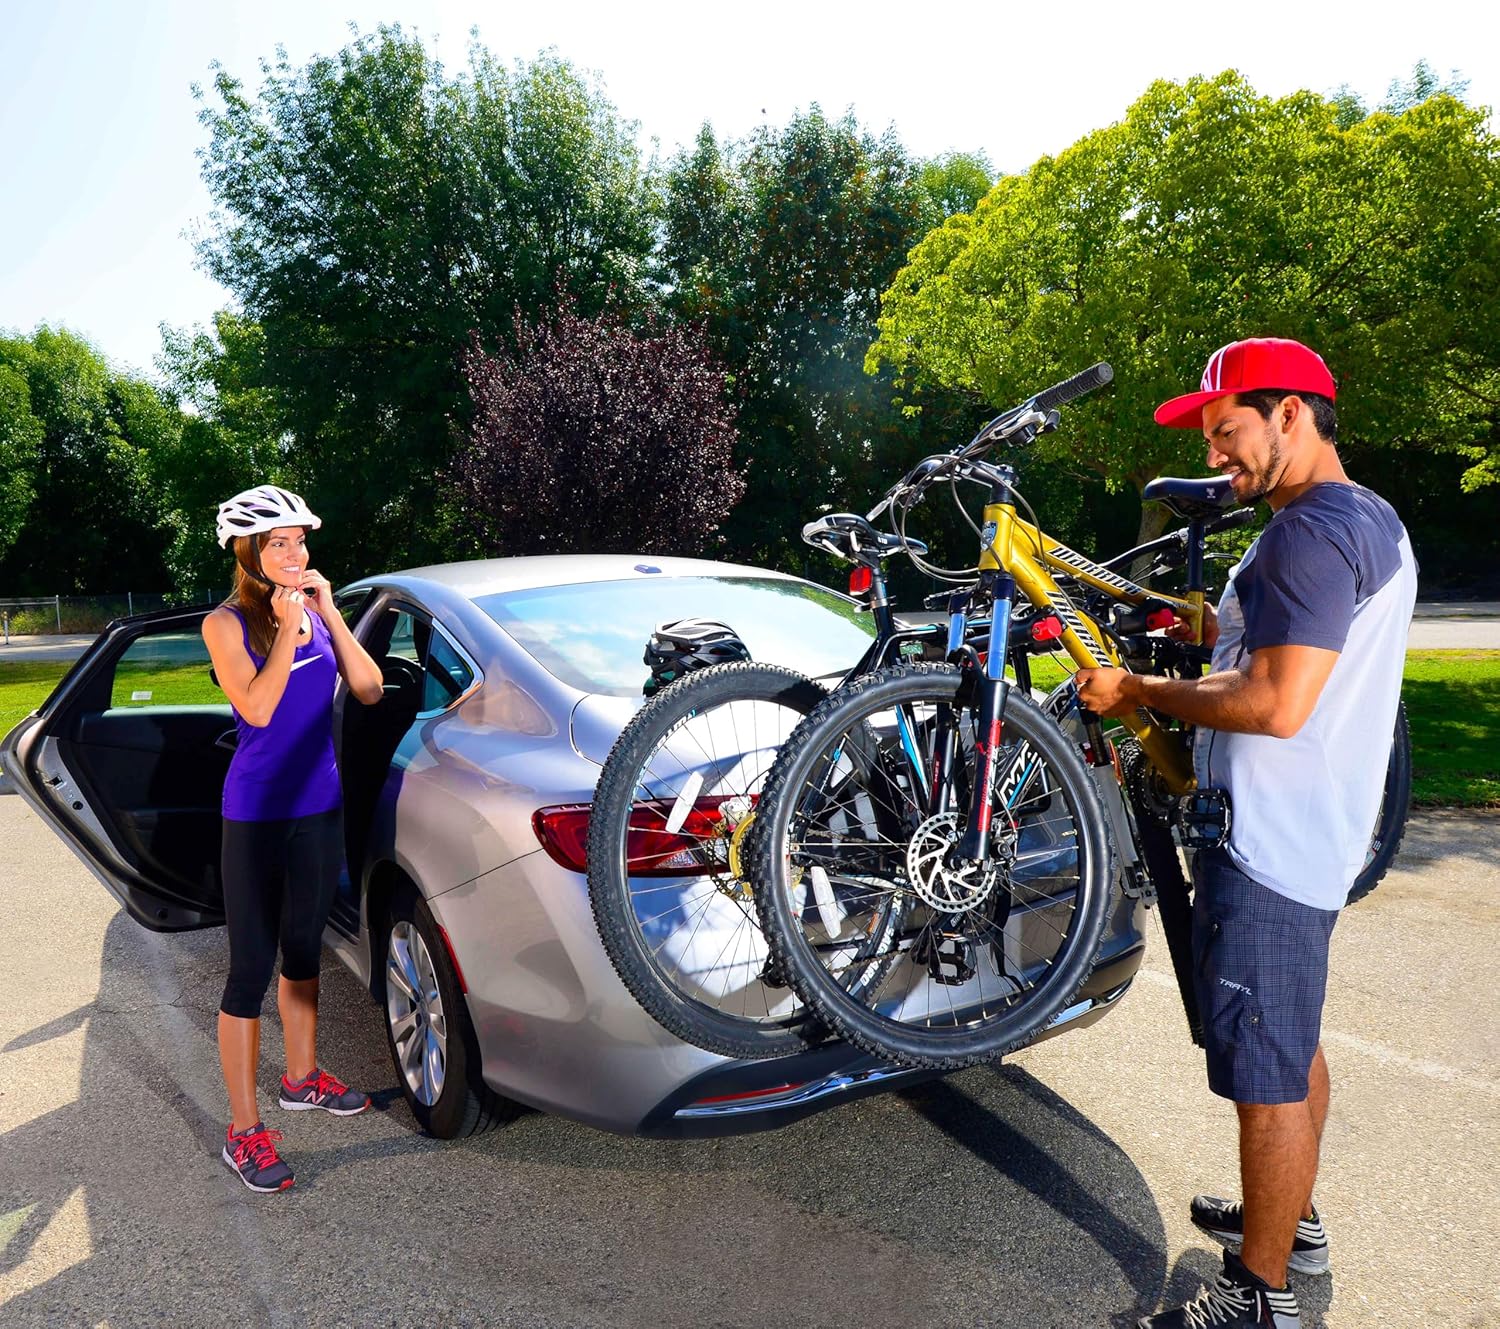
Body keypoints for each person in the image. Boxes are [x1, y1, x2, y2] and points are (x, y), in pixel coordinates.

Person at [1075, 339, 1416, 1328]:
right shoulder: (1363, 517)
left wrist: (1137, 687)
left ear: (1292, 415)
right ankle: (1289, 1221)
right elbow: (1285, 658)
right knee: (1290, 1041)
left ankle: (1260, 1295)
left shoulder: (1309, 532)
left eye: (1230, 430)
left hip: (1272, 842)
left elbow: (1275, 703)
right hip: (1312, 831)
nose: (1219, 453)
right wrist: (1203, 641)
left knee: (1265, 1076)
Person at [204, 485, 385, 1192]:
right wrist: (284, 629)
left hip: (320, 807)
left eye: (300, 541)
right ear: (248, 552)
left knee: (304, 949)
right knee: (251, 967)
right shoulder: (225, 624)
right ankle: (243, 1131)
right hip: (255, 815)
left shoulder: (315, 607)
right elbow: (256, 703)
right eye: (279, 542)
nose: (295, 553)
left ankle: (301, 1077)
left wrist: (330, 613)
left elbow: (368, 687)